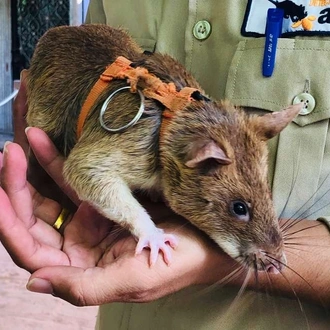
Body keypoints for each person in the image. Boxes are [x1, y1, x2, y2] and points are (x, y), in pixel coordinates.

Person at [1, 0, 330, 329]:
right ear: (202, 158)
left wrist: (206, 260)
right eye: (239, 209)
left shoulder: (218, 139)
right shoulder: (171, 147)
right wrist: (141, 226)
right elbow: (83, 170)